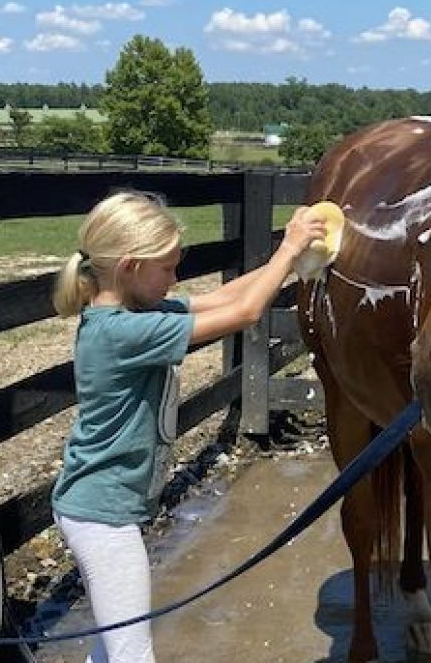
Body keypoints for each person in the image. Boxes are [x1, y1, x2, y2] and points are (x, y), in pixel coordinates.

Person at [49, 190, 325, 662]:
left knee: (111, 645)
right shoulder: (122, 333)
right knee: (133, 654)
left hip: (99, 507)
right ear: (131, 267)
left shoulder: (134, 312)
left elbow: (223, 297)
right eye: (168, 268)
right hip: (103, 517)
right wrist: (287, 250)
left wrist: (295, 264)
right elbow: (245, 314)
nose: (175, 278)